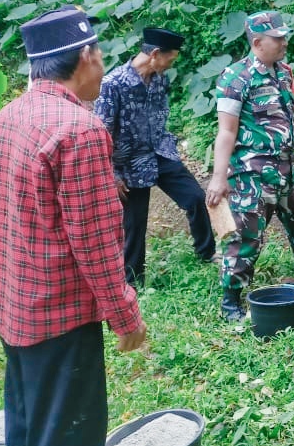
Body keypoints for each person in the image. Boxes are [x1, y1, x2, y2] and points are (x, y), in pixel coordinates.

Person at [0, 6, 147, 446]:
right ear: (87, 58)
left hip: (12, 310)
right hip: (60, 316)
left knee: (28, 429)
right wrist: (126, 317)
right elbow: (96, 243)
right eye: (101, 57)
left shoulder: (0, 123)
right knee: (68, 443)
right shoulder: (80, 131)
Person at [205, 10, 294, 322]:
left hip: (286, 167)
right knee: (246, 237)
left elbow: (288, 115)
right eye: (278, 38)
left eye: (284, 36)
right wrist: (219, 177)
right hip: (252, 173)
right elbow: (226, 131)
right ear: (257, 42)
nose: (285, 42)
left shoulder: (283, 72)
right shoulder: (236, 78)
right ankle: (231, 301)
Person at [93, 27, 216, 285]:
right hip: (127, 164)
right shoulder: (112, 85)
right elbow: (101, 132)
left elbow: (160, 114)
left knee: (195, 197)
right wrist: (111, 174)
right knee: (134, 225)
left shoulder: (160, 79)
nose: (171, 65)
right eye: (170, 59)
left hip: (159, 152)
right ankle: (133, 282)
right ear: (155, 54)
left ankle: (207, 253)